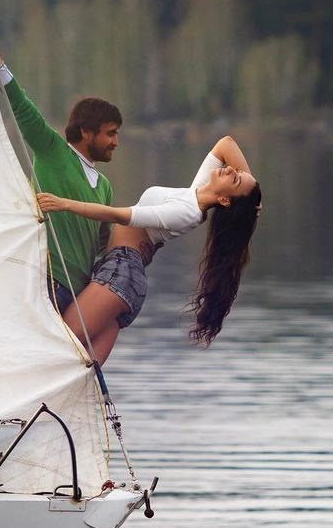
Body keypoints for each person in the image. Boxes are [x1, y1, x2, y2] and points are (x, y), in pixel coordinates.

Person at [37, 136, 261, 364]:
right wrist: (251, 193)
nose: (232, 170)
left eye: (235, 179)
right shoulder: (195, 193)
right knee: (83, 371)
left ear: (224, 200)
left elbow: (119, 216)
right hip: (120, 277)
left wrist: (64, 204)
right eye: (237, 172)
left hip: (119, 276)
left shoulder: (188, 212)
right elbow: (226, 144)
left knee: (60, 347)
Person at [0, 21, 121, 315]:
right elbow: (20, 104)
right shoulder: (52, 150)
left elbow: (107, 245)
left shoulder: (104, 187)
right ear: (86, 132)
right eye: (110, 133)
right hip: (45, 281)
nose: (116, 142)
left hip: (80, 297)